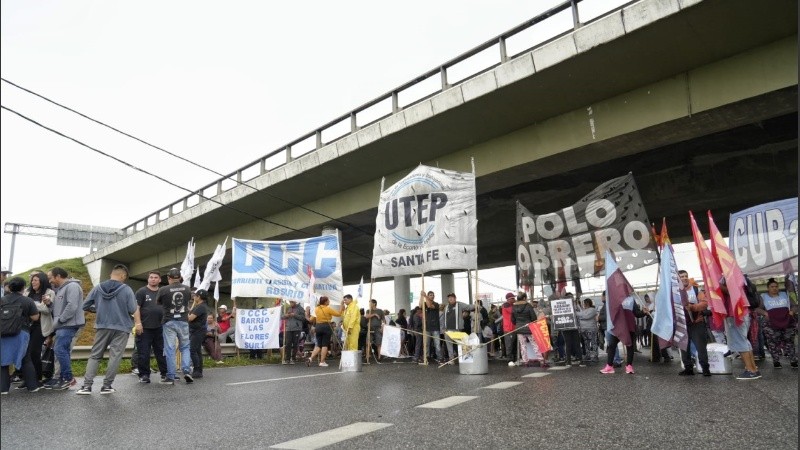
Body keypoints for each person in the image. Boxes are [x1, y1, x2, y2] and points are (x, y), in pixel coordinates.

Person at [77, 264, 137, 395]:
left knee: (95, 356)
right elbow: (133, 309)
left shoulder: (98, 288)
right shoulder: (126, 289)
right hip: (122, 328)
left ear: (111, 274)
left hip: (102, 326)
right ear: (123, 276)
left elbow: (85, 305)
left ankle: (86, 386)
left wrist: (98, 309)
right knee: (115, 357)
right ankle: (106, 386)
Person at [46, 266, 85, 390]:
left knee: (59, 350)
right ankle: (63, 378)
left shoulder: (72, 286)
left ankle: (68, 378)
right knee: (62, 350)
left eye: (51, 278)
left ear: (58, 276)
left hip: (68, 324)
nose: (50, 281)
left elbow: (72, 306)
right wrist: (50, 304)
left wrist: (61, 320)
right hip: (63, 325)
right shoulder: (61, 289)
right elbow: (59, 309)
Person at [1, 277, 41, 394]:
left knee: (3, 361)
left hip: (3, 333)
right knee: (25, 359)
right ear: (23, 288)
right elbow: (35, 317)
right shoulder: (27, 300)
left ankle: (3, 389)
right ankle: (32, 387)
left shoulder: (2, 300)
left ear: (9, 287)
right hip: (21, 332)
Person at [158, 268, 193, 384]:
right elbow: (188, 300)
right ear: (180, 277)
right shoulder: (187, 289)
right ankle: (187, 371)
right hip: (183, 321)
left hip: (169, 321)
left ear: (169, 278)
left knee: (170, 349)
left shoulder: (163, 289)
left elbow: (158, 302)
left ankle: (171, 376)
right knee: (185, 347)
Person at [133, 270, 168, 383]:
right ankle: (144, 375)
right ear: (148, 279)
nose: (153, 279)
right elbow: (136, 308)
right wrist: (138, 323)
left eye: (155, 277)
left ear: (160, 280)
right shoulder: (141, 291)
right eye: (151, 277)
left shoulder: (163, 292)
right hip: (144, 327)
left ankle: (165, 373)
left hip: (160, 327)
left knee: (162, 352)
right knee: (143, 353)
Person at [756, 278, 797, 369]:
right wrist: (765, 313)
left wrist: (792, 311)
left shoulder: (785, 295)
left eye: (776, 286)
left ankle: (793, 361)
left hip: (787, 322)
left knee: (789, 341)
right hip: (771, 324)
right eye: (772, 287)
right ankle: (776, 361)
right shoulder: (763, 297)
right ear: (768, 288)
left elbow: (794, 306)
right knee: (773, 342)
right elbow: (757, 309)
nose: (774, 288)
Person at [600, 294, 645, 375]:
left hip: (629, 325)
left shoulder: (631, 299)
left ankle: (629, 366)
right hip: (618, 325)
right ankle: (609, 366)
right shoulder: (615, 297)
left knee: (629, 346)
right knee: (612, 345)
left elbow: (637, 313)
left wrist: (644, 312)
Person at [24, 272, 55, 385]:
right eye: (32, 280)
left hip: (40, 326)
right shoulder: (28, 292)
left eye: (35, 280)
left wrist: (30, 304)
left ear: (42, 281)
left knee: (34, 352)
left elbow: (47, 310)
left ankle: (37, 378)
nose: (33, 282)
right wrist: (36, 305)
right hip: (27, 326)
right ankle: (27, 378)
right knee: (25, 353)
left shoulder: (49, 292)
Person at [678, 270, 711, 376]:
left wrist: (692, 307)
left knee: (701, 347)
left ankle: (705, 368)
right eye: (681, 277)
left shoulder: (696, 289)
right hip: (682, 324)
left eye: (685, 276)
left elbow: (705, 303)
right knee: (684, 347)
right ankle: (688, 368)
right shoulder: (674, 292)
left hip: (697, 323)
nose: (684, 278)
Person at [306, 296, 342, 367]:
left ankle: (310, 358)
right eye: (328, 301)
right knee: (325, 345)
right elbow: (338, 314)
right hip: (326, 326)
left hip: (318, 327)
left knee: (318, 345)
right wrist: (341, 306)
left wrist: (306, 315)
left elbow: (311, 319)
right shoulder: (327, 308)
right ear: (325, 302)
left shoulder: (316, 309)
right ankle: (322, 362)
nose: (329, 302)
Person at [442, 293, 474, 362]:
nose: (450, 298)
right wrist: (443, 328)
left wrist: (476, 306)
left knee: (460, 344)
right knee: (449, 345)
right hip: (448, 330)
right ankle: (451, 359)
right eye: (449, 297)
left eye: (452, 297)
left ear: (455, 298)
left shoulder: (459, 304)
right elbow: (443, 318)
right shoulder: (446, 307)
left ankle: (464, 359)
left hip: (457, 329)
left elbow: (468, 307)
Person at [187, 289, 211, 379]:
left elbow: (190, 318)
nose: (194, 297)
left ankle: (197, 370)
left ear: (199, 297)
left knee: (192, 350)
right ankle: (199, 371)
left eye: (195, 295)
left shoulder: (201, 307)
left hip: (198, 331)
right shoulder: (199, 306)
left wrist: (184, 313)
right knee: (197, 351)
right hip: (197, 330)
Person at [511, 292, 538, 366]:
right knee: (534, 344)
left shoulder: (514, 307)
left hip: (519, 328)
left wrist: (518, 323)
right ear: (524, 298)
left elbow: (512, 320)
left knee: (523, 345)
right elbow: (534, 318)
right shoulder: (528, 306)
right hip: (529, 328)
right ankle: (541, 360)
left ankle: (525, 362)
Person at [417, 291, 443, 364]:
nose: (432, 296)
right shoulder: (425, 304)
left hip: (435, 327)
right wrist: (421, 296)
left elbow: (430, 306)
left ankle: (440, 358)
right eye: (430, 295)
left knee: (437, 344)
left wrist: (425, 296)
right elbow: (420, 305)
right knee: (426, 344)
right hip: (427, 327)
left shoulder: (436, 304)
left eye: (432, 295)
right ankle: (426, 357)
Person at [283, 298, 307, 363]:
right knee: (288, 343)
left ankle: (293, 358)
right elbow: (282, 317)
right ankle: (287, 359)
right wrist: (286, 316)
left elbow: (303, 318)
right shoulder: (288, 308)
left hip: (297, 328)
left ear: (295, 302)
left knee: (295, 343)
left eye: (292, 302)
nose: (290, 303)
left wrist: (294, 315)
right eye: (290, 302)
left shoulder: (300, 308)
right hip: (289, 328)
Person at [576, 298, 598, 364]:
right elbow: (582, 315)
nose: (583, 305)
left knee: (593, 342)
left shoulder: (592, 310)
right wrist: (581, 315)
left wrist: (580, 316)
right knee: (586, 343)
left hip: (591, 329)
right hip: (583, 329)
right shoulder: (583, 310)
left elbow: (586, 316)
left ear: (587, 303)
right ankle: (588, 355)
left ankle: (594, 356)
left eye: (584, 303)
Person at [501, 292, 517, 364]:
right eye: (513, 298)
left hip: (513, 328)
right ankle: (509, 359)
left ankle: (514, 358)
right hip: (508, 329)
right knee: (509, 344)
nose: (514, 299)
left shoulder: (512, 305)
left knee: (513, 344)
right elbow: (512, 311)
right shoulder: (506, 305)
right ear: (508, 299)